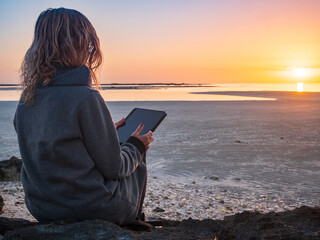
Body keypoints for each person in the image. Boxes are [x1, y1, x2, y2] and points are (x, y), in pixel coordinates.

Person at [13, 7, 153, 225]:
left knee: (126, 146)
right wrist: (136, 146)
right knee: (136, 153)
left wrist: (105, 132)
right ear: (81, 45)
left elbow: (58, 148)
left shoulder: (27, 98)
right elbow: (115, 168)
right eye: (88, 44)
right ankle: (133, 219)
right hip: (91, 209)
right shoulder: (85, 97)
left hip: (42, 208)